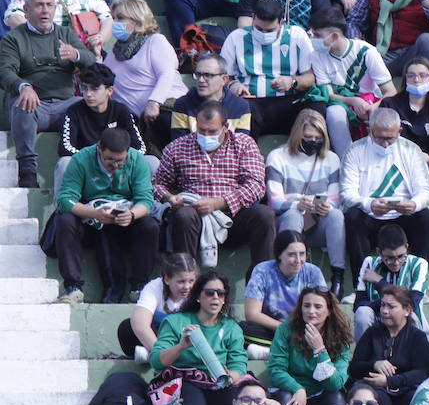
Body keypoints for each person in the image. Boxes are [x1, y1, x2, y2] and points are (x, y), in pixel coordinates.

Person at [154, 100, 275, 270]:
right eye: (202, 130)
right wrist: (169, 197)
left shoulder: (244, 144)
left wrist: (219, 202)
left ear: (225, 127)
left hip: (233, 217)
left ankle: (261, 283)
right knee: (184, 215)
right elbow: (158, 183)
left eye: (212, 131)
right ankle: (185, 280)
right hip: (194, 219)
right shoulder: (177, 148)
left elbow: (256, 185)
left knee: (265, 215)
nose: (206, 135)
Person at [51, 126, 156, 305]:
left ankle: (139, 287)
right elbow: (65, 199)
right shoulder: (82, 159)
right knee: (65, 220)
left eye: (120, 161)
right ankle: (73, 287)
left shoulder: (137, 160)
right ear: (99, 149)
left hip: (125, 218)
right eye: (110, 160)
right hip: (89, 218)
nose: (115, 165)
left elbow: (146, 200)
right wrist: (93, 213)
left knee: (149, 225)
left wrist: (131, 214)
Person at [1, 0, 95, 187]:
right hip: (34, 106)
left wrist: (76, 55)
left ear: (55, 9)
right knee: (22, 103)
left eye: (49, 5)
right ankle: (27, 172)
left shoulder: (66, 34)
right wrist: (23, 86)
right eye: (39, 5)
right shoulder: (13, 38)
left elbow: (91, 61)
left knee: (88, 103)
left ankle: (89, 168)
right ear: (26, 10)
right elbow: (5, 71)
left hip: (65, 106)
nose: (45, 11)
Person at [341, 106, 429, 280]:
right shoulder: (355, 150)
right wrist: (369, 204)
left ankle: (418, 281)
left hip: (403, 216)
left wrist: (414, 204)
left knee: (426, 217)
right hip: (369, 216)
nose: (385, 144)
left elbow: (426, 192)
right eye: (379, 138)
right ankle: (361, 284)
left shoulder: (411, 150)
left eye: (390, 139)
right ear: (370, 131)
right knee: (353, 216)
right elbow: (346, 194)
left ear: (400, 131)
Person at [265, 109, 347, 297]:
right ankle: (288, 276)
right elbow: (275, 201)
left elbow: (335, 198)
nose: (313, 141)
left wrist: (325, 205)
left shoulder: (331, 159)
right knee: (293, 214)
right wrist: (297, 204)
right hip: (288, 223)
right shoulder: (277, 157)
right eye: (308, 136)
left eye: (318, 138)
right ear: (297, 134)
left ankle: (337, 277)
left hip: (317, 222)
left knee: (336, 215)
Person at [220, 0, 320, 136]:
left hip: (287, 102)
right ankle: (246, 154)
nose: (263, 34)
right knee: (238, 106)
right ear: (253, 17)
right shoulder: (236, 37)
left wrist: (293, 81)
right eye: (259, 28)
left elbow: (310, 77)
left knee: (317, 106)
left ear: (282, 22)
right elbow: (223, 77)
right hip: (251, 103)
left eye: (269, 30)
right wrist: (233, 85)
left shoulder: (297, 36)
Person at [148, 271, 248, 405]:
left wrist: (230, 377)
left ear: (224, 298)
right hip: (183, 381)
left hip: (218, 382)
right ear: (198, 296)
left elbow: (239, 365)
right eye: (209, 293)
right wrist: (181, 346)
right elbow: (156, 361)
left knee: (233, 402)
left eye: (220, 293)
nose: (215, 297)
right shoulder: (175, 322)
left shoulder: (232, 328)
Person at [311, 6, 397, 159]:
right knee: (334, 112)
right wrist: (352, 100)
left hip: (370, 105)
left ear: (335, 36)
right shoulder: (317, 55)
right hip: (343, 105)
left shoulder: (366, 52)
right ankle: (347, 161)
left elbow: (390, 92)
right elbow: (329, 94)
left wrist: (372, 108)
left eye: (317, 36)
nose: (313, 40)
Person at [102, 0, 182, 146]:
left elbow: (166, 73)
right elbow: (103, 79)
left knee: (165, 122)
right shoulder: (115, 51)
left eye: (120, 18)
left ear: (136, 21)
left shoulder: (155, 41)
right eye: (113, 18)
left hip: (166, 108)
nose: (115, 23)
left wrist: (154, 102)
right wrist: (94, 52)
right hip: (136, 119)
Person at [55, 62, 146, 192]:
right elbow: (65, 148)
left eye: (95, 88)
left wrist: (116, 159)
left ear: (109, 91)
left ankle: (148, 208)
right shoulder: (74, 111)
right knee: (64, 163)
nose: (88, 94)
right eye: (85, 88)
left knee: (151, 161)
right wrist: (99, 159)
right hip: (87, 166)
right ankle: (62, 209)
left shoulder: (121, 111)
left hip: (119, 164)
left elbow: (140, 148)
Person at [348, 284, 429, 405]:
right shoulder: (372, 332)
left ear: (407, 310)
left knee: (416, 402)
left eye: (391, 307)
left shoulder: (417, 336)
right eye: (382, 305)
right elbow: (354, 368)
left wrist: (390, 381)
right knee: (375, 401)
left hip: (405, 390)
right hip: (375, 390)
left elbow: (422, 372)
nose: (384, 311)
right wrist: (374, 365)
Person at [241, 229, 328, 354]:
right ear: (279, 254)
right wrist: (285, 329)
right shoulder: (263, 271)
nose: (298, 260)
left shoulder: (313, 272)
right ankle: (284, 351)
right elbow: (252, 314)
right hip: (273, 329)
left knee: (324, 334)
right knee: (242, 330)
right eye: (292, 254)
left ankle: (273, 352)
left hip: (305, 330)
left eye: (302, 254)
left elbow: (324, 309)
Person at [266, 286, 352, 405]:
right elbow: (276, 370)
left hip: (321, 391)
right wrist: (298, 389)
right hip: (290, 390)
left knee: (336, 398)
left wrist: (319, 350)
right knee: (286, 399)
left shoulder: (340, 336)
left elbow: (336, 383)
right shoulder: (286, 329)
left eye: (318, 307)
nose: (311, 311)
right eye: (306, 306)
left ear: (329, 311)